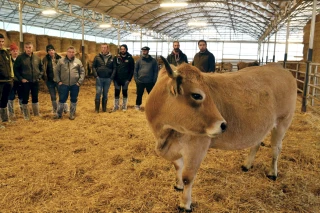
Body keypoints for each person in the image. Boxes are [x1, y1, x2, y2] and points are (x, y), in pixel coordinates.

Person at [14, 41, 43, 120]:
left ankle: (36, 114)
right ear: (24, 48)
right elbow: (15, 69)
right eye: (26, 47)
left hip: (35, 81)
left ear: (32, 48)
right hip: (25, 82)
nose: (28, 49)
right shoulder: (20, 58)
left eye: (30, 47)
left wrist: (39, 77)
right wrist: (21, 79)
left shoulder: (37, 58)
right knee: (25, 98)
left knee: (35, 97)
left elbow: (41, 68)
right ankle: (26, 115)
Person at [54, 46, 85, 120]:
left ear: (75, 53)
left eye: (73, 52)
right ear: (67, 52)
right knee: (62, 99)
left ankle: (72, 114)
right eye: (69, 52)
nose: (71, 53)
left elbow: (82, 72)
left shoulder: (78, 61)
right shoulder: (61, 61)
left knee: (74, 99)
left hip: (75, 84)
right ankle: (59, 114)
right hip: (64, 84)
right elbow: (56, 71)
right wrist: (58, 81)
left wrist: (79, 82)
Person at [92, 43, 115, 113]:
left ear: (108, 48)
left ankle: (104, 108)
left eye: (105, 47)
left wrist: (111, 77)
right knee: (98, 92)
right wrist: (96, 75)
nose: (103, 49)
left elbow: (115, 68)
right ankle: (97, 109)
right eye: (102, 47)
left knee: (105, 93)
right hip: (99, 78)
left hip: (108, 79)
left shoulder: (112, 57)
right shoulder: (97, 57)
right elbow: (93, 67)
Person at [42, 44, 65, 114]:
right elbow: (43, 69)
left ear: (54, 50)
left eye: (52, 50)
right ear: (47, 52)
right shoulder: (45, 59)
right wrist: (45, 78)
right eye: (49, 50)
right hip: (50, 80)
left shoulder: (60, 58)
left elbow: (64, 68)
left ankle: (62, 108)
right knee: (53, 96)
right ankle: (55, 109)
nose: (51, 52)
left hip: (58, 80)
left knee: (61, 94)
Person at [134, 46, 158, 111]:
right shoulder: (138, 61)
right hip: (140, 81)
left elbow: (156, 71)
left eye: (145, 50)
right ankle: (137, 105)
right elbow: (135, 70)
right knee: (139, 94)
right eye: (143, 51)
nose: (144, 52)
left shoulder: (153, 61)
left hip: (150, 81)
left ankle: (153, 106)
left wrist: (154, 80)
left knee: (151, 95)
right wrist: (136, 80)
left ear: (148, 51)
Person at [112, 44, 134, 112]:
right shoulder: (116, 57)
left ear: (126, 49)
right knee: (116, 92)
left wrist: (129, 79)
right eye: (121, 49)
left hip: (125, 79)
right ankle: (116, 106)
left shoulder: (130, 58)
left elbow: (132, 69)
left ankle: (124, 106)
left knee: (124, 92)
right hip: (117, 79)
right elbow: (113, 68)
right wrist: (113, 78)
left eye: (124, 49)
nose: (122, 50)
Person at [0, 33, 13, 127]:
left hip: (7, 81)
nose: (1, 43)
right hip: (0, 81)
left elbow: (10, 66)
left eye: (2, 41)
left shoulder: (5, 52)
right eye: (0, 42)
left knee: (4, 100)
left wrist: (11, 77)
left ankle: (5, 119)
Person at [7, 43, 22, 120]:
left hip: (19, 81)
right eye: (13, 51)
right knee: (11, 97)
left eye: (16, 51)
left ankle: (22, 111)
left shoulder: (21, 59)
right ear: (10, 52)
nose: (15, 52)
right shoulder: (8, 60)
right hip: (11, 81)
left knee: (21, 96)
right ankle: (11, 113)